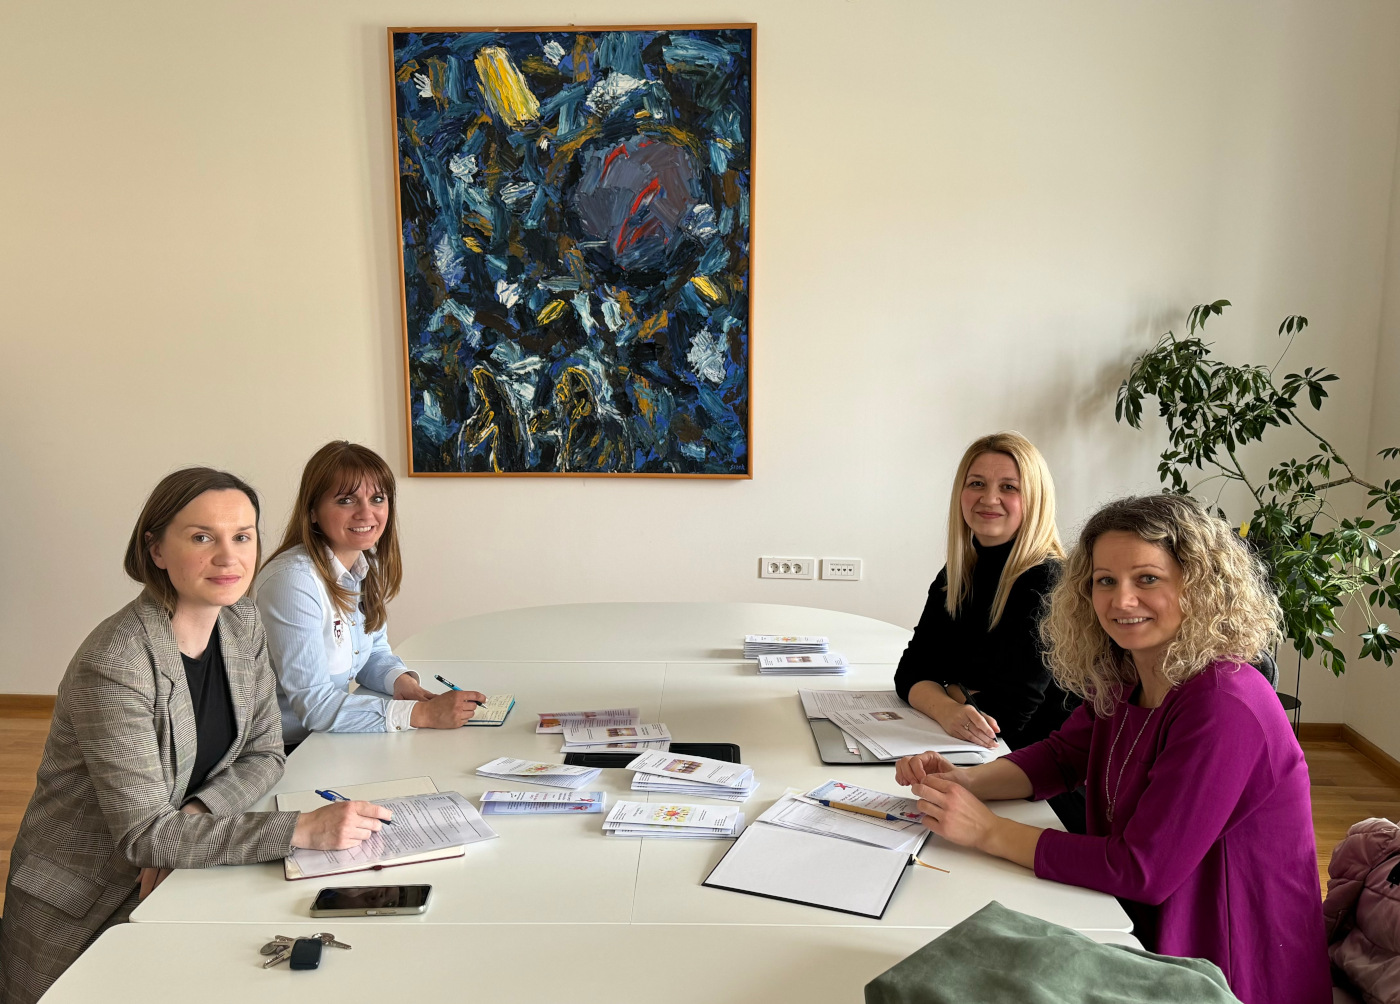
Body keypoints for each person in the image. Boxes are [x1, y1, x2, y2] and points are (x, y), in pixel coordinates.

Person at [894, 494, 1331, 1004]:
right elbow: (1062, 756)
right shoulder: (1129, 672)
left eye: (1147, 578)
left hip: (1226, 966)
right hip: (1138, 920)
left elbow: (1141, 868)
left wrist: (986, 830)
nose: (1121, 601)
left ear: (1197, 585)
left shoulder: (1223, 702)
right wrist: (965, 782)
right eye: (1105, 581)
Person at [0, 468, 390, 1004]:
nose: (229, 558)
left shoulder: (241, 623)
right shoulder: (117, 662)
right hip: (90, 905)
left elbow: (265, 753)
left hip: (183, 871)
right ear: (156, 549)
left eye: (242, 536)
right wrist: (301, 829)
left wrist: (196, 813)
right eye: (203, 537)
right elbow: (143, 837)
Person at [892, 432, 1083, 828]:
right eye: (976, 483)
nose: (989, 498)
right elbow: (909, 672)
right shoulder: (958, 573)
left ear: (1034, 499)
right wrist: (950, 706)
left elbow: (1004, 717)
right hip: (974, 759)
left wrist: (946, 687)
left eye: (1008, 487)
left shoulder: (1047, 581)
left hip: (1036, 788)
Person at [256, 441, 483, 750]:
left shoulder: (364, 564)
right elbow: (315, 706)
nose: (366, 513)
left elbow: (370, 653)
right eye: (346, 500)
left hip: (327, 742)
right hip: (286, 751)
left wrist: (403, 683)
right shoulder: (292, 581)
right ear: (312, 511)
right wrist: (423, 714)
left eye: (377, 498)